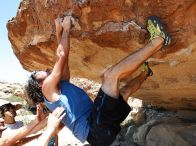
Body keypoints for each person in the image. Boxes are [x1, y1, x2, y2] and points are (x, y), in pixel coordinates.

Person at [25, 15, 171, 145]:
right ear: (40, 85)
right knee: (110, 76)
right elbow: (61, 55)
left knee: (124, 93)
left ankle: (145, 72)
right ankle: (158, 40)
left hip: (101, 130)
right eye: (41, 73)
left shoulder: (59, 87)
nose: (46, 70)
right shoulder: (47, 90)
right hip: (95, 129)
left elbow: (63, 58)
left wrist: (59, 31)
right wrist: (67, 29)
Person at [0, 105, 65, 146]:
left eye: (12, 109)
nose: (11, 110)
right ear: (3, 115)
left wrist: (39, 121)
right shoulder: (6, 132)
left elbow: (28, 133)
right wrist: (50, 130)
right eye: (8, 110)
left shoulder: (19, 123)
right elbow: (20, 140)